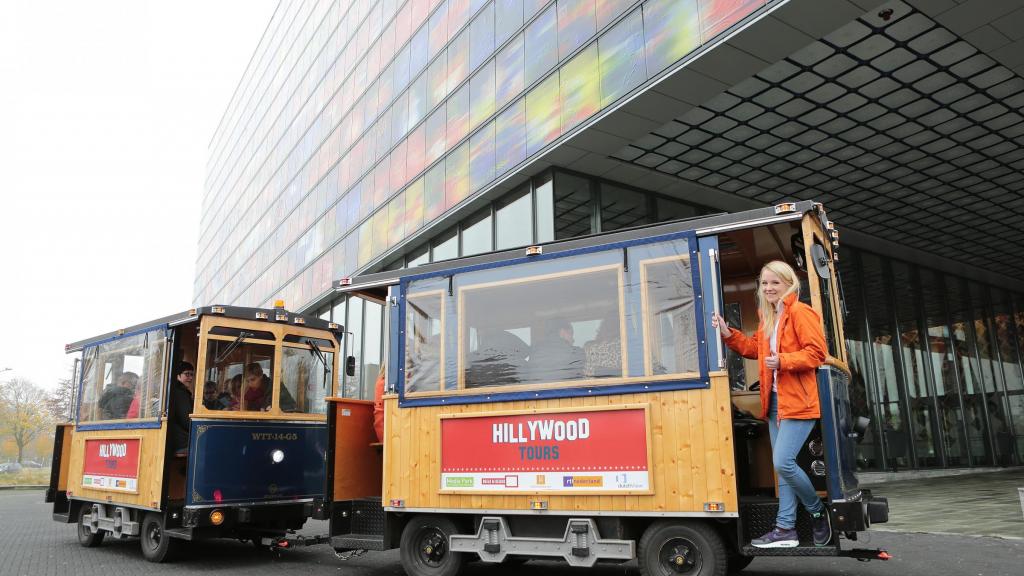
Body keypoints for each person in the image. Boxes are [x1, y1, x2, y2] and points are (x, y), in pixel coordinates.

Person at [711, 260, 831, 548]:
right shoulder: (769, 318)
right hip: (776, 403)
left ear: (788, 284)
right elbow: (754, 349)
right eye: (764, 283)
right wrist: (729, 334)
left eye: (774, 282)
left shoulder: (801, 313)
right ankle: (785, 529)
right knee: (783, 469)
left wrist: (784, 361)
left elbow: (817, 353)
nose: (768, 288)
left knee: (783, 462)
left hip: (799, 402)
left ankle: (817, 511)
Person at [169, 362, 195, 457]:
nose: (190, 378)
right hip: (181, 441)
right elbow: (186, 420)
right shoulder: (180, 393)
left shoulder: (174, 390)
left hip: (174, 439)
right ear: (178, 375)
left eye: (192, 375)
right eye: (187, 374)